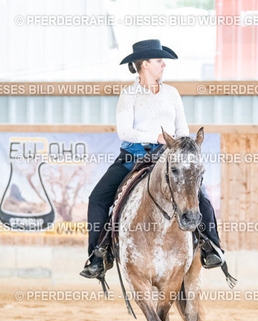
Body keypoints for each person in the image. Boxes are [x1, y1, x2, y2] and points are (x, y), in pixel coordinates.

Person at [80, 39, 225, 279]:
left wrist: (179, 143)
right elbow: (124, 132)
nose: (163, 65)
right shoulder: (129, 95)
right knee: (97, 198)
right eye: (159, 61)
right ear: (145, 64)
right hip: (133, 156)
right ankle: (98, 255)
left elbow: (182, 128)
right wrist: (155, 137)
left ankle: (211, 246)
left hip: (168, 156)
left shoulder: (171, 93)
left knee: (200, 195)